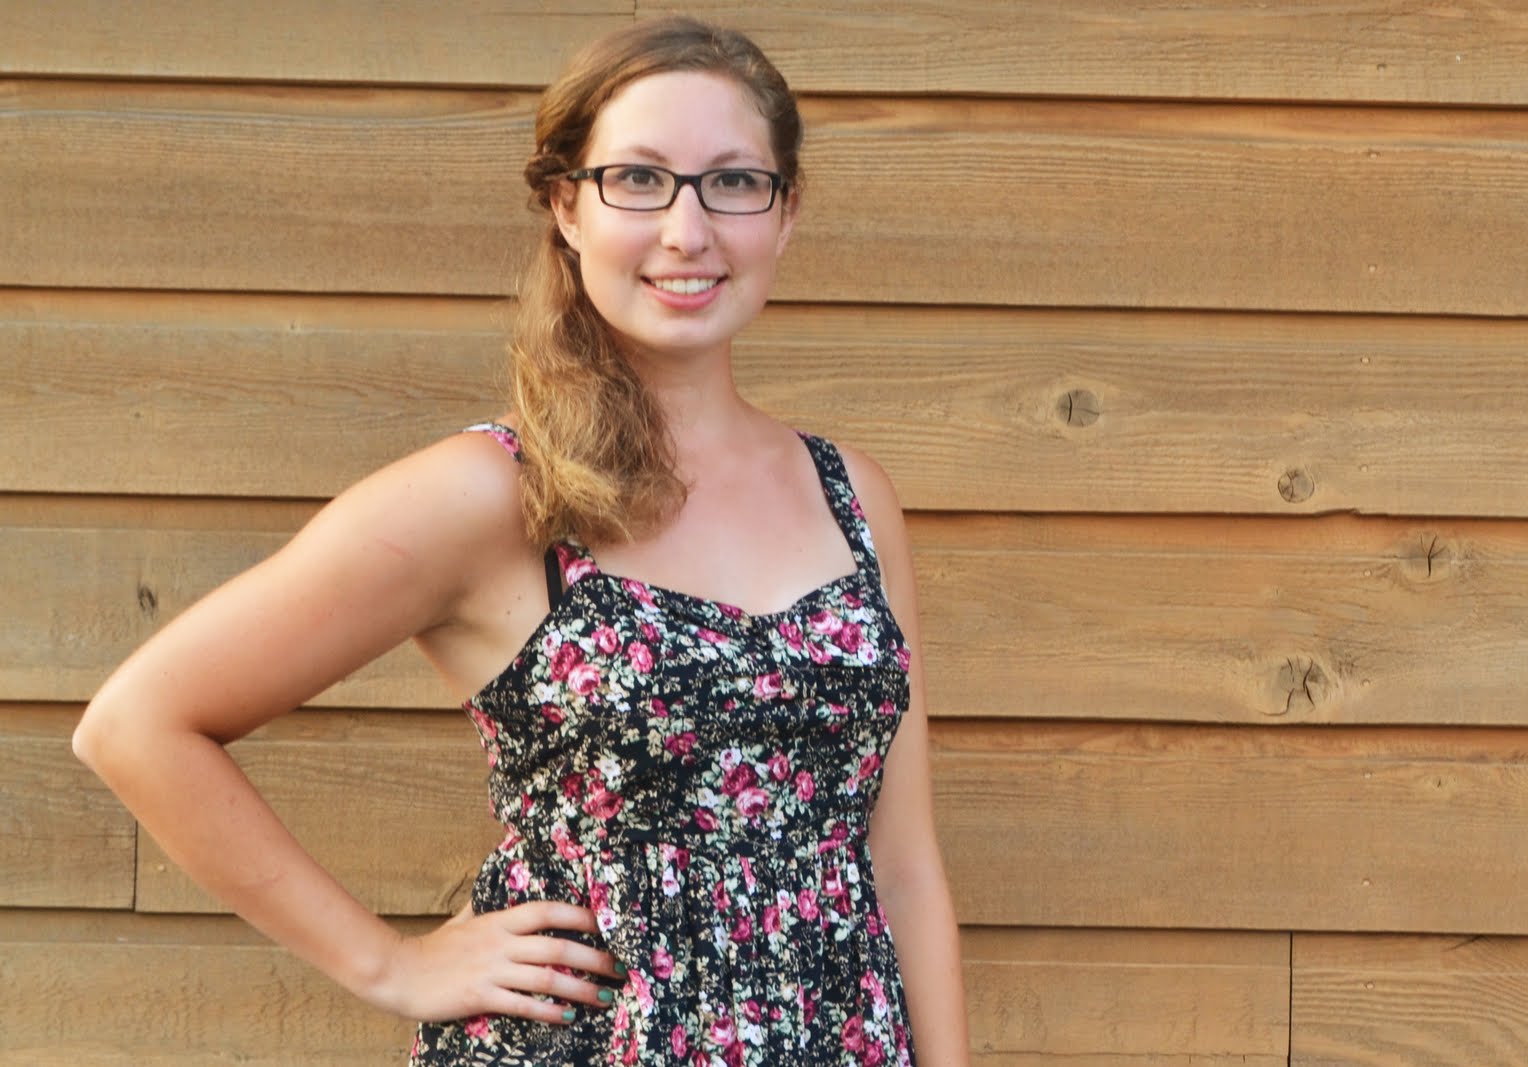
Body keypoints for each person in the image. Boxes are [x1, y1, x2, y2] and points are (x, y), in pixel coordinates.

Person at [73, 15, 969, 1067]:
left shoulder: (851, 496)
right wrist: (391, 964)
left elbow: (903, 864)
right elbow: (138, 724)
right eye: (639, 180)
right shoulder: (496, 495)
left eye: (733, 182)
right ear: (566, 206)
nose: (687, 230)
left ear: (785, 212)